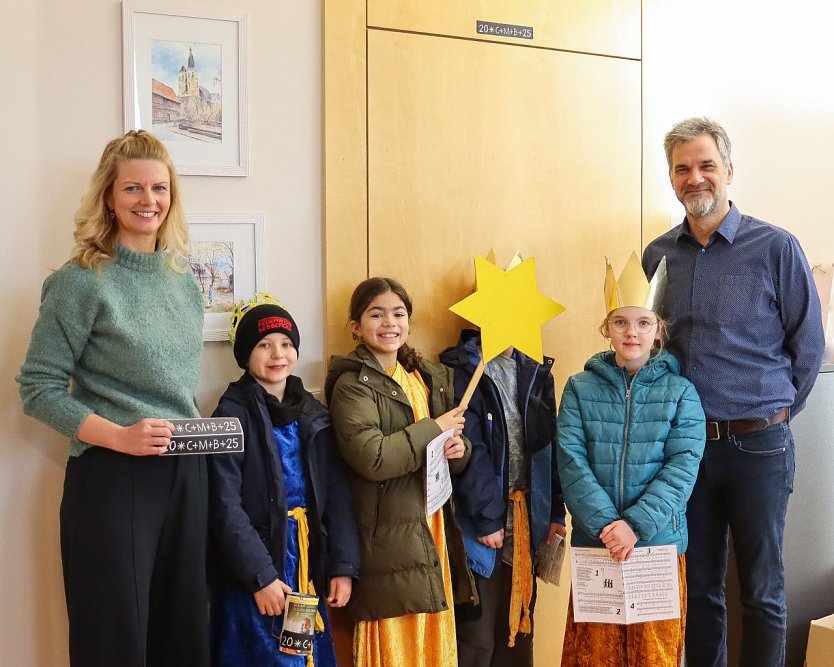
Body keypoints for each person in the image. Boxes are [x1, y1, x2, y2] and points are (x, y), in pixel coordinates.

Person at [17, 130, 208, 666]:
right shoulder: (80, 282)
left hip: (185, 474)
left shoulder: (182, 280)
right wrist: (119, 437)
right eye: (133, 189)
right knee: (115, 641)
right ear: (108, 196)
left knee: (185, 633)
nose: (149, 201)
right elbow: (38, 388)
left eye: (159, 188)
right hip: (112, 475)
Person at [642, 117, 825, 667]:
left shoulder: (775, 247)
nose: (694, 177)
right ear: (671, 178)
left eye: (706, 166)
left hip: (759, 447)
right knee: (698, 590)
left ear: (728, 171)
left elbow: (808, 346)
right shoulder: (657, 256)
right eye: (682, 169)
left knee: (763, 591)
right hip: (687, 452)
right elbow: (650, 348)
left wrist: (775, 412)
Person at [557, 253, 705, 667]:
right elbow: (571, 460)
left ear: (658, 328)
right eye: (620, 322)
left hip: (655, 547)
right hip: (597, 545)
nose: (631, 333)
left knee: (654, 656)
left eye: (642, 323)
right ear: (606, 328)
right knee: (594, 656)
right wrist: (608, 526)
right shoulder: (578, 388)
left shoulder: (681, 392)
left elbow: (681, 468)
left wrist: (635, 526)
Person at [324, 277, 476, 667]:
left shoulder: (423, 376)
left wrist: (457, 450)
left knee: (433, 645)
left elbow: (443, 446)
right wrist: (436, 430)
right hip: (388, 538)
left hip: (432, 527)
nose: (389, 322)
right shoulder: (352, 386)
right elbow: (373, 458)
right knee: (396, 647)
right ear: (356, 327)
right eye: (376, 314)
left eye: (398, 313)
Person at [208, 293, 360, 667]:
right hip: (256, 566)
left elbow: (337, 496)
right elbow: (224, 504)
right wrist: (260, 577)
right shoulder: (230, 415)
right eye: (264, 344)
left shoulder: (314, 413)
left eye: (286, 343)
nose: (277, 354)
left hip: (306, 561)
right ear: (245, 355)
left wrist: (343, 566)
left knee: (302, 657)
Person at [439, 330, 566, 666]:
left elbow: (547, 448)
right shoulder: (462, 370)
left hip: (526, 525)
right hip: (483, 526)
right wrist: (486, 516)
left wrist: (554, 511)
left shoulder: (535, 371)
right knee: (477, 638)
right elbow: (469, 449)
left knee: (519, 632)